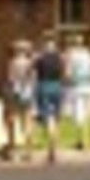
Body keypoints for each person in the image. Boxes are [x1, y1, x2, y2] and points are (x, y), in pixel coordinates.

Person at [32, 36, 64, 164]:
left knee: (47, 117)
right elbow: (65, 73)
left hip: (43, 86)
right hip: (57, 86)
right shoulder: (60, 58)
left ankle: (51, 147)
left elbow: (31, 73)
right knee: (56, 117)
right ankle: (55, 146)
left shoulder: (40, 58)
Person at [63, 32, 90, 151]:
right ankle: (84, 140)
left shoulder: (70, 55)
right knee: (86, 114)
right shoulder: (89, 55)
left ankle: (84, 141)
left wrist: (65, 82)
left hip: (76, 87)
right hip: (89, 86)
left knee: (78, 115)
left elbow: (67, 73)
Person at [2, 39, 34, 160]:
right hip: (27, 93)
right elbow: (32, 79)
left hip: (14, 93)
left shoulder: (13, 63)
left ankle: (12, 146)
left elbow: (10, 79)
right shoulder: (30, 63)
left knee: (10, 118)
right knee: (26, 120)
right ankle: (28, 149)